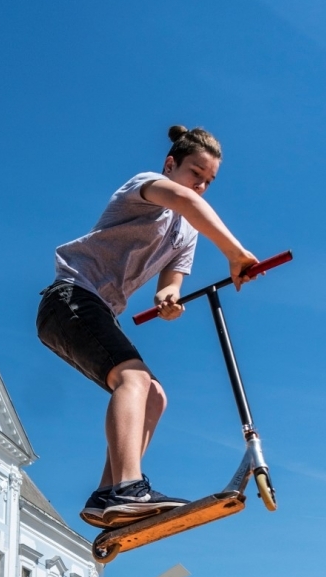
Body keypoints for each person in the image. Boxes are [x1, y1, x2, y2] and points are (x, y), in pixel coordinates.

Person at [37, 124, 257, 526]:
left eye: (209, 181)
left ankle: (108, 495)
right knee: (133, 380)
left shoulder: (186, 233)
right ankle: (128, 488)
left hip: (99, 310)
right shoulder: (148, 185)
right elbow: (186, 202)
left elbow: (169, 284)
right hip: (69, 297)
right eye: (195, 174)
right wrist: (236, 253)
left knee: (154, 395)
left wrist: (167, 301)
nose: (201, 187)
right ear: (171, 164)